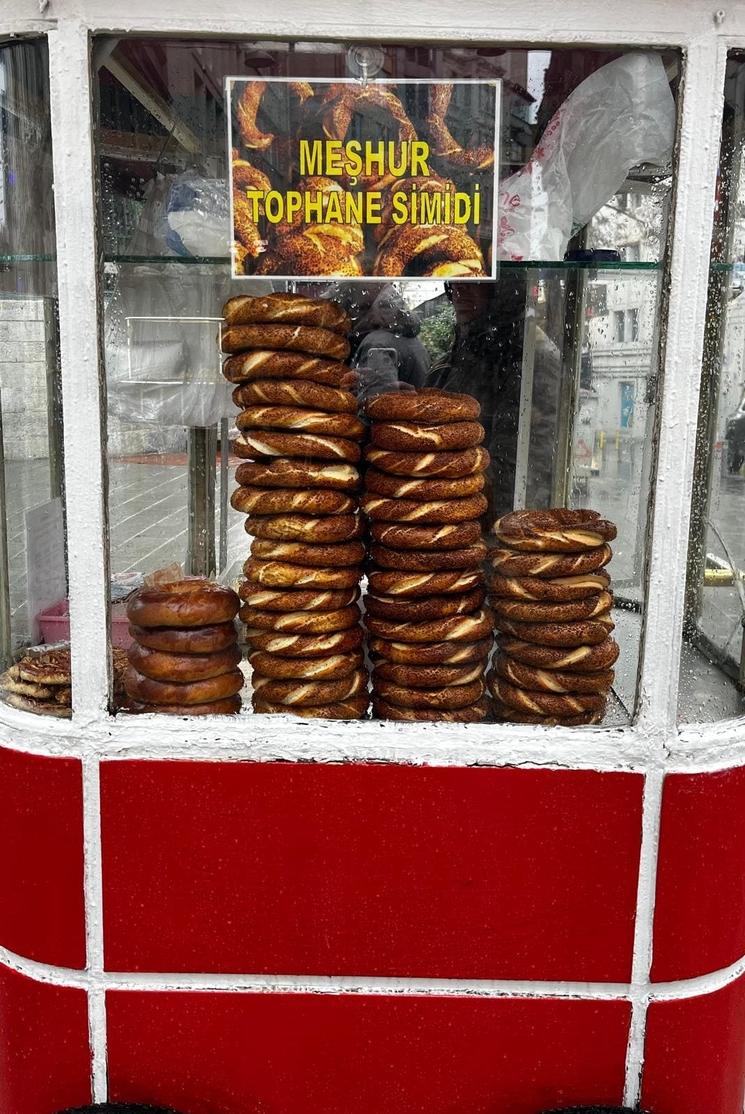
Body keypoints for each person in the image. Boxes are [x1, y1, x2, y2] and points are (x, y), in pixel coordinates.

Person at [428, 276, 561, 527]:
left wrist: (490, 528)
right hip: (460, 511)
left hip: (493, 520)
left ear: (503, 291)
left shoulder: (531, 357)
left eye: (475, 280)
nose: (459, 289)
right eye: (454, 282)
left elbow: (519, 468)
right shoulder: (472, 347)